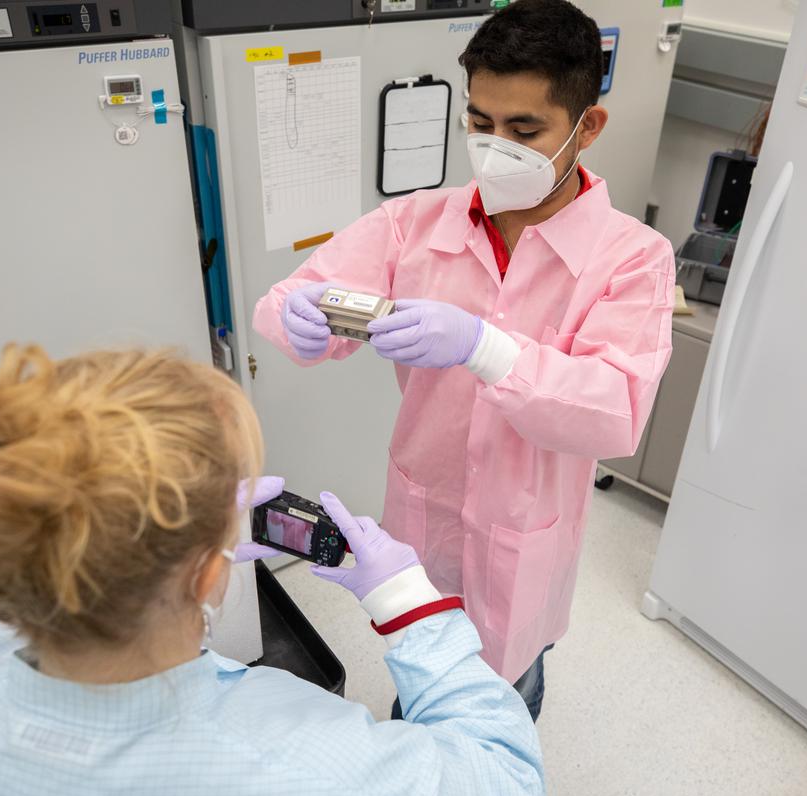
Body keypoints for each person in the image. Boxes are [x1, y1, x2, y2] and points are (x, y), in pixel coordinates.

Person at [0, 345, 543, 796]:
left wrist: (188, 534)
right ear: (208, 577)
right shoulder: (317, 769)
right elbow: (508, 793)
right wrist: (408, 602)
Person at [253, 0, 676, 720]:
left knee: (503, 696)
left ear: (587, 127)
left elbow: (614, 411)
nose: (493, 147)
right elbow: (293, 305)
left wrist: (488, 349)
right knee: (420, 670)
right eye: (479, 122)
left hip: (524, 531)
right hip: (426, 515)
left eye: (523, 129)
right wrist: (298, 313)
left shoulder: (632, 259)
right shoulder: (415, 221)